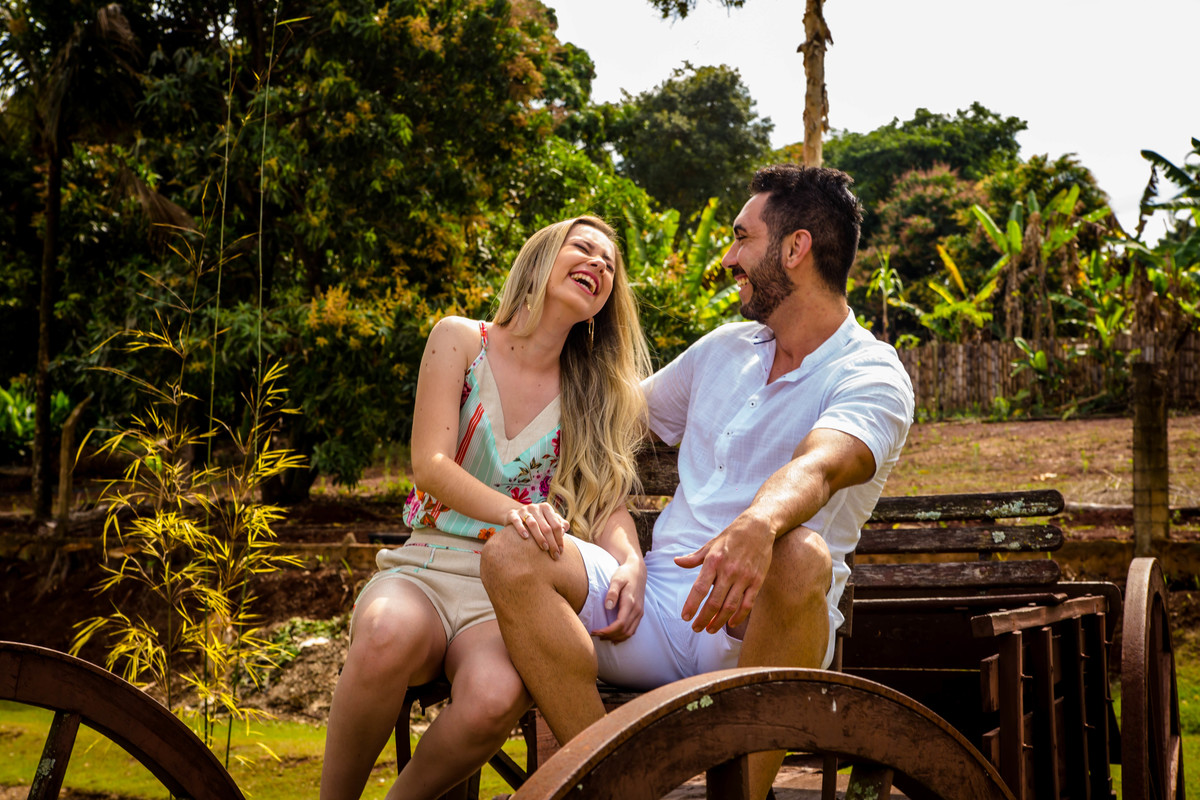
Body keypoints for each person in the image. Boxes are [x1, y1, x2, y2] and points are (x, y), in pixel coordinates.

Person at [481, 164, 915, 799]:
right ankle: (618, 787)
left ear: (795, 249)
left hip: (757, 637)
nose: (730, 257)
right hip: (652, 609)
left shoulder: (871, 372)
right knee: (511, 554)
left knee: (801, 553)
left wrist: (759, 526)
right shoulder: (725, 349)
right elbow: (604, 420)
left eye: (743, 238)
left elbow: (822, 464)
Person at [320, 216, 652, 800]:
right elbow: (431, 465)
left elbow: (607, 503)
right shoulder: (460, 340)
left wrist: (630, 563)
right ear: (543, 257)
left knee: (494, 698)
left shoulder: (592, 392)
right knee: (381, 636)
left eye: (609, 265)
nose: (599, 264)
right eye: (584, 248)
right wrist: (515, 513)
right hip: (427, 566)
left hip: (511, 594)